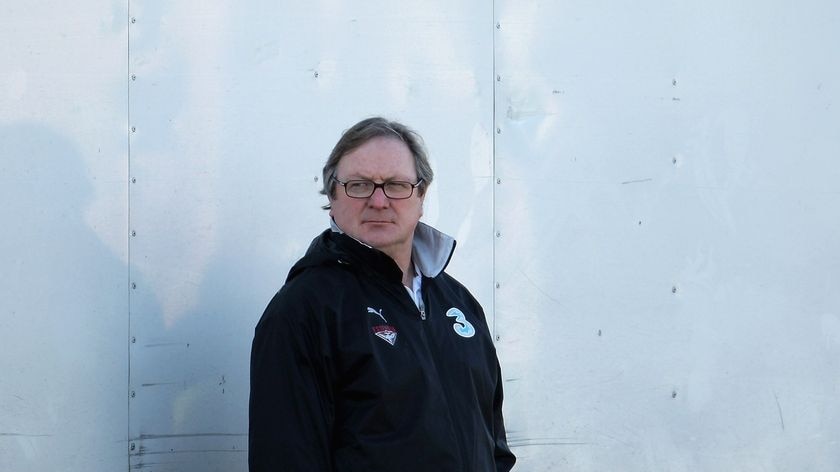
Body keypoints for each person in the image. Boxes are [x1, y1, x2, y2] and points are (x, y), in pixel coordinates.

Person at [249, 117, 516, 471]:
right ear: (332, 196)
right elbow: (285, 460)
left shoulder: (459, 305)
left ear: (421, 195)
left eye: (396, 185)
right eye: (359, 185)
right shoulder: (303, 311)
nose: (378, 201)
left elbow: (493, 445)